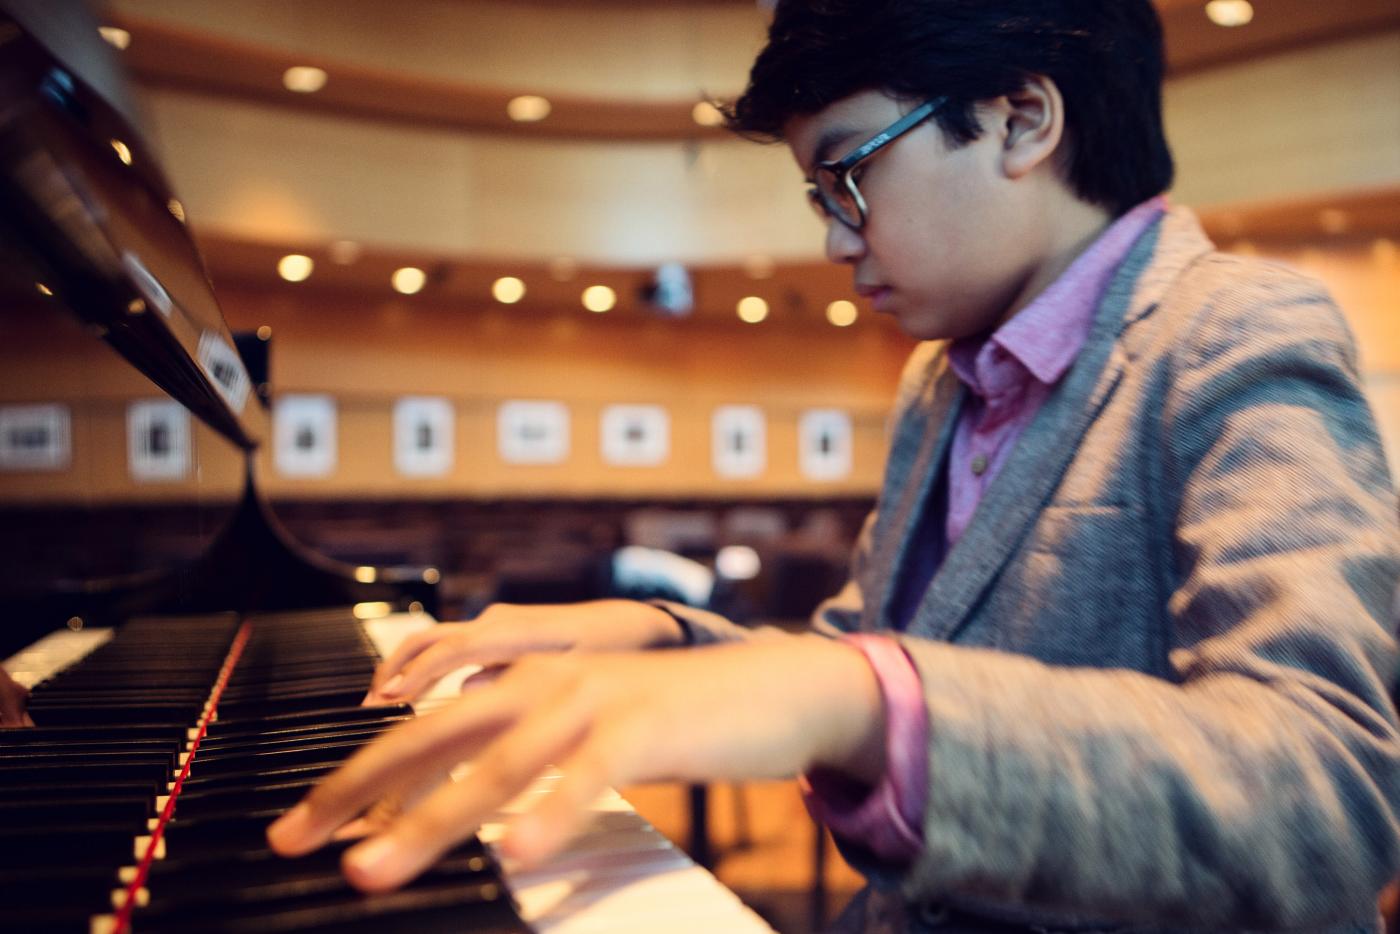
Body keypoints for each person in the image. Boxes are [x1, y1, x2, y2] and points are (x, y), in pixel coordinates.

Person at [268, 1, 1400, 930]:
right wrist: (658, 636)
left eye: (846, 176)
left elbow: (1326, 801)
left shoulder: (1237, 331)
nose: (831, 237)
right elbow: (857, 662)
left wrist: (850, 693)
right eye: (819, 198)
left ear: (1018, 119)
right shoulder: (940, 374)